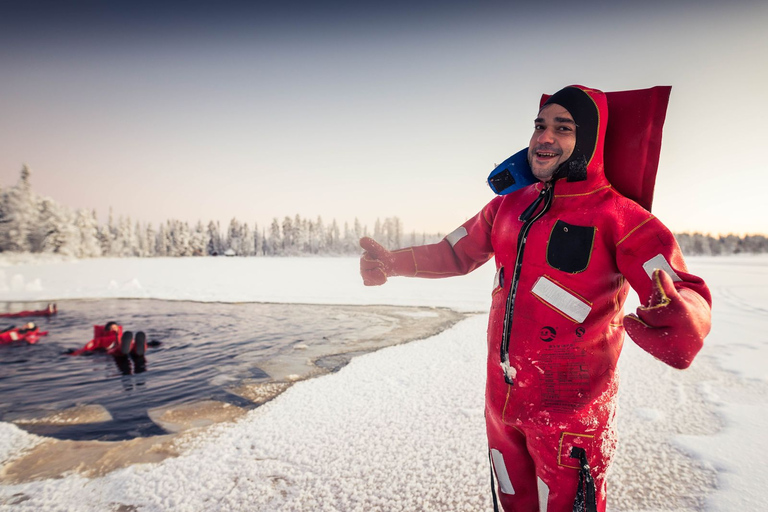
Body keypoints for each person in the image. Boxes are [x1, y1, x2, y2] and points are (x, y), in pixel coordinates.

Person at [359, 85, 712, 512]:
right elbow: (454, 250)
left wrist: (679, 316)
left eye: (562, 128)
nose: (545, 137)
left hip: (572, 419)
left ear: (589, 140)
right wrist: (392, 262)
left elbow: (686, 289)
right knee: (511, 503)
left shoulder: (622, 218)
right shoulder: (507, 205)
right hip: (502, 407)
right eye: (539, 126)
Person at [67, 321, 148, 357]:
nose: (114, 329)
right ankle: (124, 349)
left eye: (115, 327)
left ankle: (140, 348)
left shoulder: (123, 336)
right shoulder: (100, 340)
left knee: (132, 344)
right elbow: (88, 347)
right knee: (117, 349)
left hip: (125, 343)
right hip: (112, 350)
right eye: (112, 327)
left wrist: (152, 344)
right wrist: (76, 353)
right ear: (107, 329)